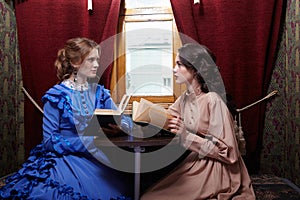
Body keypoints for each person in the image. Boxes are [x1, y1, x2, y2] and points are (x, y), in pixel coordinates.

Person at [0, 37, 133, 199]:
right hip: (65, 158)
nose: (97, 65)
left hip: (98, 157)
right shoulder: (56, 96)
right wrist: (88, 142)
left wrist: (123, 125)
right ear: (76, 62)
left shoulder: (100, 93)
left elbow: (123, 119)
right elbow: (49, 141)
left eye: (97, 60)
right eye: (91, 60)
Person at [141, 43, 256, 200]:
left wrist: (186, 136)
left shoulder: (213, 100)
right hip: (196, 162)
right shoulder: (185, 99)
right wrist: (127, 125)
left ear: (195, 69)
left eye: (179, 64)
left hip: (218, 168)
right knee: (148, 195)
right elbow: (166, 118)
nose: (174, 69)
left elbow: (229, 153)